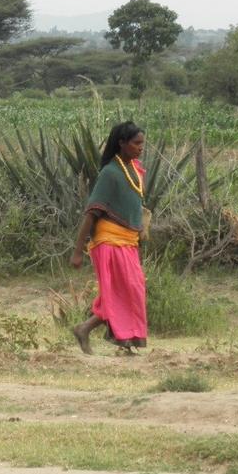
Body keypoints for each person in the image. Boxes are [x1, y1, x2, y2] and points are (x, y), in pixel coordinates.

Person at [69, 121, 148, 355]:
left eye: (142, 143)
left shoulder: (135, 169)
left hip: (128, 241)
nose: (141, 147)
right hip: (109, 241)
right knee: (122, 292)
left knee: (131, 290)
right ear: (121, 143)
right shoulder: (110, 173)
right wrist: (77, 251)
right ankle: (122, 340)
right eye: (136, 143)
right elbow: (92, 213)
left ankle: (85, 329)